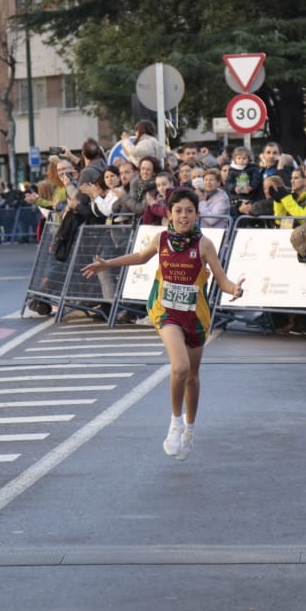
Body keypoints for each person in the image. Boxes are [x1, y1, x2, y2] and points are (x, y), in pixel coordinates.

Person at [80, 188, 244, 460]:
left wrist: (233, 289)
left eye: (188, 211)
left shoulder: (204, 245)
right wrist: (107, 263)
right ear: (169, 214)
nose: (183, 216)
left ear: (197, 214)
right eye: (178, 211)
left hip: (196, 316)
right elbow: (141, 257)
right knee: (179, 367)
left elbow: (222, 279)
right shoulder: (162, 239)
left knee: (192, 375)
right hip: (166, 311)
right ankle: (175, 423)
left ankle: (190, 430)